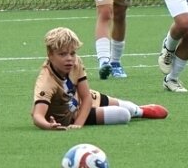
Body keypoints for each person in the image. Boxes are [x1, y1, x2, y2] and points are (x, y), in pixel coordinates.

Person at [31, 26, 168, 130]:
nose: (69, 59)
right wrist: (50, 126)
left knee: (130, 109)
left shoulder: (76, 62)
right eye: (62, 54)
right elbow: (37, 116)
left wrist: (79, 125)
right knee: (123, 115)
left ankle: (141, 111)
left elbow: (86, 98)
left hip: (83, 99)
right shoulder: (46, 82)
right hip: (70, 115)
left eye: (72, 53)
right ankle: (136, 111)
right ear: (50, 55)